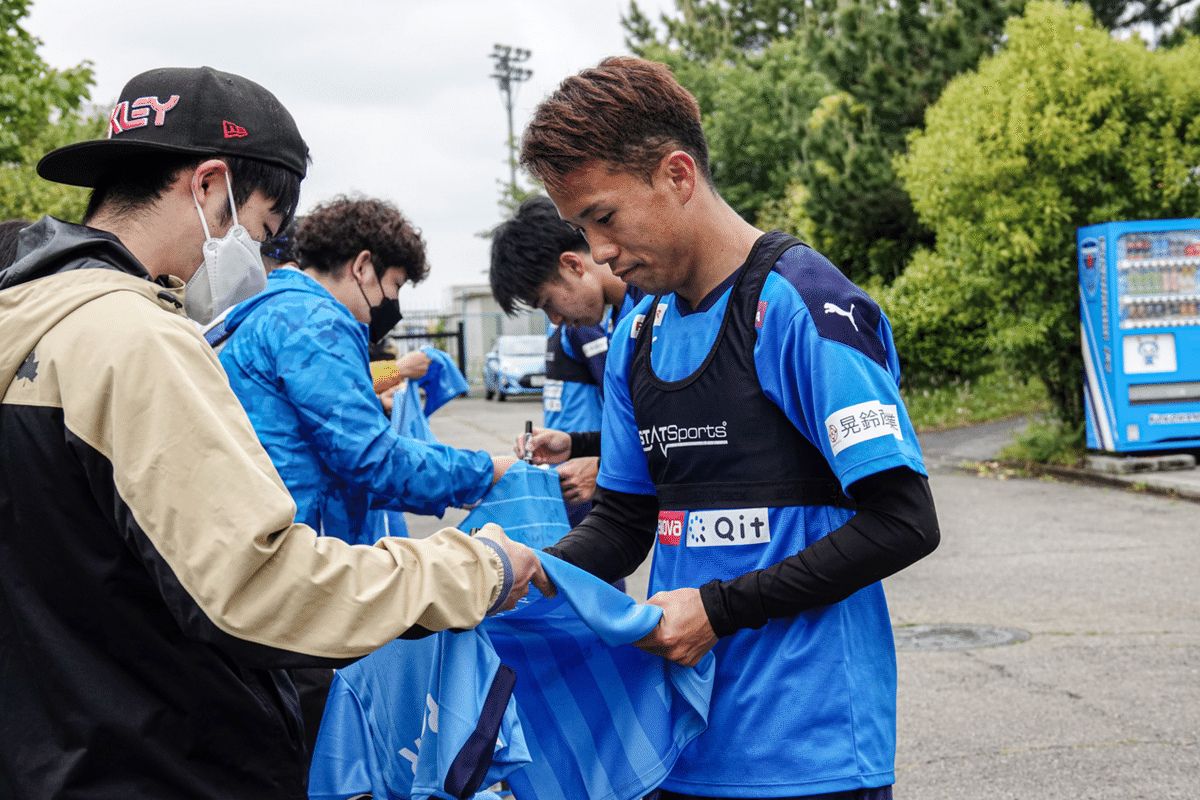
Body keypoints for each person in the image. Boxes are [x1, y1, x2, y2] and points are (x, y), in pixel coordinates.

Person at [0, 65, 550, 799]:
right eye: (261, 229)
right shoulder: (133, 338)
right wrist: (473, 569)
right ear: (208, 186)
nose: (257, 262)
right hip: (157, 755)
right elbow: (256, 587)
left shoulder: (26, 321)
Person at [520, 56, 940, 799]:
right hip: (677, 746)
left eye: (605, 218)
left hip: (811, 758)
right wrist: (532, 575)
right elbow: (623, 519)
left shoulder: (801, 306)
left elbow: (904, 521)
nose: (601, 253)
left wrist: (718, 610)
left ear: (677, 175)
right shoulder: (636, 335)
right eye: (582, 229)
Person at [218, 194, 510, 546]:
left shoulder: (283, 311)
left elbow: (339, 469)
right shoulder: (313, 322)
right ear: (363, 267)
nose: (394, 302)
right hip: (291, 545)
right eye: (396, 285)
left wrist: (460, 487)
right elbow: (370, 458)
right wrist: (485, 473)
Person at [489, 194, 645, 512]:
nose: (555, 320)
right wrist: (576, 444)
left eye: (548, 303)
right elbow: (643, 429)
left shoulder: (657, 306)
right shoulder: (619, 320)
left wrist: (603, 467)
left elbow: (688, 433)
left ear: (573, 264)